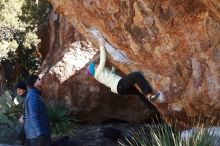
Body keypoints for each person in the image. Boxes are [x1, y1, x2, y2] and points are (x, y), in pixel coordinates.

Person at [87, 43, 160, 101]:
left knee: (138, 92)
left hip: (118, 90)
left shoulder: (98, 75)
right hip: (119, 85)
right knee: (136, 75)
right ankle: (149, 95)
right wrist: (101, 46)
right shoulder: (98, 72)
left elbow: (111, 75)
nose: (96, 64)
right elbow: (102, 60)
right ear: (94, 69)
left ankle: (149, 101)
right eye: (95, 65)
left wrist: (114, 67)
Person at [24, 75, 51, 146]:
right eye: (39, 79)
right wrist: (40, 135)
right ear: (34, 83)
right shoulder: (33, 96)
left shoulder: (34, 94)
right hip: (36, 136)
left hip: (36, 135)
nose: (41, 80)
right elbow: (33, 116)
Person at [14, 81, 27, 145]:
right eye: (17, 90)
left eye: (20, 89)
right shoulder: (25, 97)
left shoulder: (28, 97)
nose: (18, 91)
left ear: (24, 89)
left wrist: (23, 117)